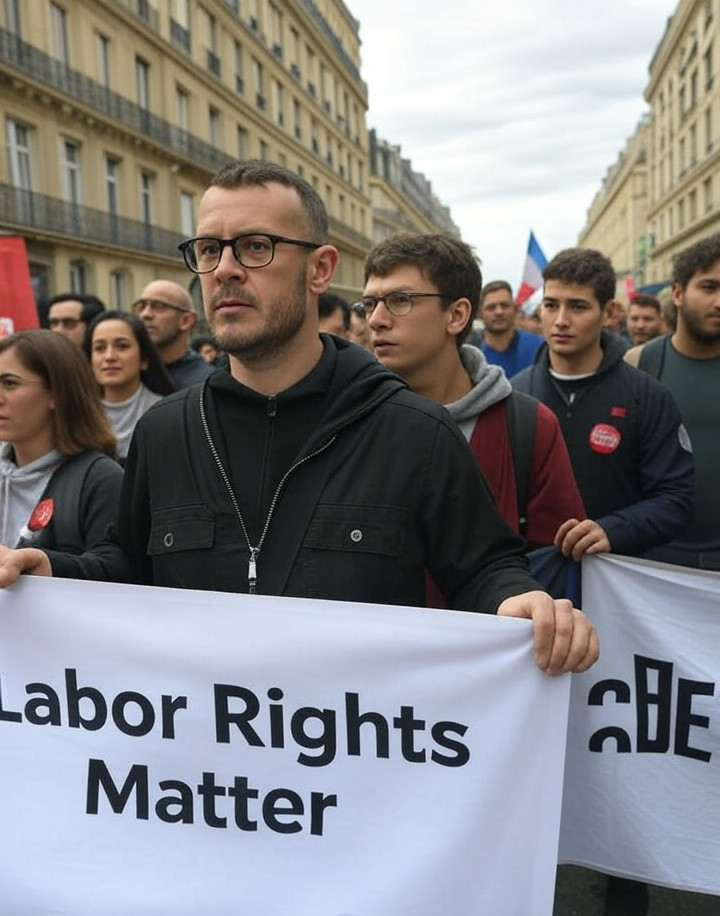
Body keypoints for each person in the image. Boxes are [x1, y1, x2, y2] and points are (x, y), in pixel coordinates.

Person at [0, 160, 597, 678]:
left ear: (320, 269)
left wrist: (520, 602)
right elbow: (130, 566)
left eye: (256, 247)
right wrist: (53, 568)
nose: (226, 269)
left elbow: (483, 571)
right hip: (202, 777)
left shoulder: (415, 431)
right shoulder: (166, 431)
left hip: (357, 764)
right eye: (210, 250)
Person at [359, 232, 585, 559]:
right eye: (369, 304)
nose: (376, 320)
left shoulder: (530, 427)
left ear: (456, 315)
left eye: (400, 300)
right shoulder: (347, 422)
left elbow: (556, 560)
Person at [512, 247, 693, 564]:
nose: (561, 320)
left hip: (620, 582)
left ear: (609, 313)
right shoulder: (515, 395)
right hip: (532, 585)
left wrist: (614, 530)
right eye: (551, 305)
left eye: (577, 307)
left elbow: (675, 498)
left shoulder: (646, 395)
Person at [0, 329, 122, 578]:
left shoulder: (101, 478)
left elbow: (120, 571)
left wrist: (48, 564)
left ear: (57, 392)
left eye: (9, 383)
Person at [633, 234, 720, 571]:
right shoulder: (640, 362)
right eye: (709, 287)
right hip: (656, 561)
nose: (718, 301)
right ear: (679, 293)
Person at [87, 311, 176, 464]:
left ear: (144, 359)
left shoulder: (168, 414)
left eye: (122, 346)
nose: (109, 356)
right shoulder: (77, 417)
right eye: (100, 348)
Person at [132, 280, 214, 388]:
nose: (145, 314)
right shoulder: (128, 375)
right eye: (141, 306)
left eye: (158, 306)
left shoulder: (207, 384)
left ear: (186, 321)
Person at [478, 280, 543, 375]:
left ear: (515, 309)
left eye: (504, 306)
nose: (499, 312)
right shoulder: (470, 355)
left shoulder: (538, 347)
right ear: (480, 314)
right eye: (491, 307)